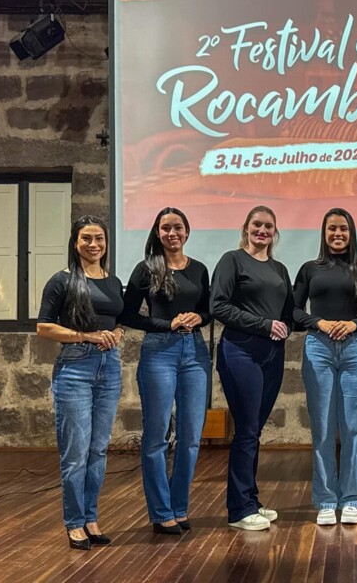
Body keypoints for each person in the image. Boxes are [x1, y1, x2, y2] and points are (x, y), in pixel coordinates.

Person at [121, 207, 211, 535]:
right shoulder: (146, 270)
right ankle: (161, 512)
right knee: (157, 436)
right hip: (159, 351)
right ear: (157, 233)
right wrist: (166, 323)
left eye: (178, 228)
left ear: (187, 232)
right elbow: (128, 315)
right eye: (165, 228)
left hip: (195, 353)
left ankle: (179, 506)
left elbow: (208, 310)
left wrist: (199, 318)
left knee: (190, 437)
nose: (172, 233)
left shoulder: (199, 269)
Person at [36, 215, 124, 551]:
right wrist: (86, 336)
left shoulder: (113, 282)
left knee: (98, 450)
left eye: (99, 238)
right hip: (74, 367)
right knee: (75, 453)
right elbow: (44, 327)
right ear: (76, 242)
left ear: (106, 243)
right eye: (86, 238)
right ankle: (74, 523)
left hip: (109, 368)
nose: (93, 245)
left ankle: (90, 518)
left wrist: (116, 334)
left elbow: (118, 321)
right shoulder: (62, 281)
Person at [294, 208, 357, 526]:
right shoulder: (309, 269)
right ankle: (325, 500)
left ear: (351, 232)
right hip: (318, 347)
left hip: (355, 349)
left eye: (343, 229)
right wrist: (318, 321)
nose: (337, 234)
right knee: (322, 427)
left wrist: (352, 324)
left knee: (353, 428)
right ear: (324, 232)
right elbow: (293, 309)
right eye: (332, 229)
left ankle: (352, 499)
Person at [211, 206, 293, 531]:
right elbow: (218, 305)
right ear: (245, 228)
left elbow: (289, 312)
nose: (262, 230)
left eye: (268, 226)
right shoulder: (232, 260)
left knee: (255, 431)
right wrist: (264, 324)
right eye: (256, 225)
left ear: (275, 232)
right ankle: (239, 509)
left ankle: (251, 499)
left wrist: (289, 325)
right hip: (240, 352)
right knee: (246, 430)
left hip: (272, 355)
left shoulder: (280, 268)